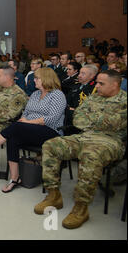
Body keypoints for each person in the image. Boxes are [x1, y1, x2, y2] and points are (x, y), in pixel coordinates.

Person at [35, 70, 127, 229]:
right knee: (50, 145)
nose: (96, 86)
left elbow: (116, 124)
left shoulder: (125, 101)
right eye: (96, 82)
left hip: (110, 141)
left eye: (101, 83)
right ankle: (53, 194)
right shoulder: (94, 97)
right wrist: (99, 121)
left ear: (115, 85)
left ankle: (81, 207)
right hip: (84, 136)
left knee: (90, 154)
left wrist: (92, 120)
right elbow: (78, 118)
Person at [0, 67, 67, 193]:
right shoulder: (35, 94)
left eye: (37, 78)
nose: (34, 81)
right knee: (13, 138)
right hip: (30, 129)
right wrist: (24, 120)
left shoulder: (57, 95)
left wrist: (27, 122)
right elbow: (25, 112)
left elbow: (51, 119)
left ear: (46, 79)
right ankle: (15, 178)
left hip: (50, 131)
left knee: (16, 126)